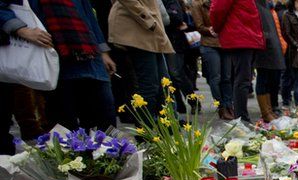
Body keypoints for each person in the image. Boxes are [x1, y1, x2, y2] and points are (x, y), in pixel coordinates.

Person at [1, 0, 116, 130]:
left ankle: (107, 150)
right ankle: (72, 150)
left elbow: (88, 13)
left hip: (89, 55)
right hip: (54, 57)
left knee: (105, 118)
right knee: (64, 124)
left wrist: (103, 51)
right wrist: (22, 29)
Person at [109, 0, 172, 116]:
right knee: (150, 85)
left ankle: (167, 124)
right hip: (139, 28)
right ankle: (147, 128)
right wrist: (148, 20)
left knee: (163, 84)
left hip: (149, 29)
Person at [253, 0, 285, 121]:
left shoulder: (266, 6)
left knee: (270, 80)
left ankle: (269, 110)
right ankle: (266, 112)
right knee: (263, 79)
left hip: (271, 44)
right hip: (264, 45)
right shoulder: (257, 5)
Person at [191, 0, 225, 115]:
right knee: (215, 76)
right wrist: (212, 30)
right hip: (209, 44)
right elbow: (199, 26)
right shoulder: (197, 4)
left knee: (227, 76)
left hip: (224, 43)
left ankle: (228, 104)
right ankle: (221, 106)